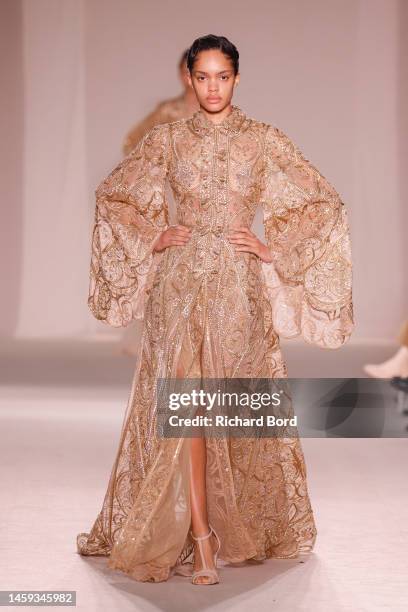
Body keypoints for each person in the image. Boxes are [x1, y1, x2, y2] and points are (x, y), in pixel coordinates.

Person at [77, 34, 354, 585]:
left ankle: (229, 524)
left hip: (237, 289)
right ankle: (201, 539)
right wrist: (155, 236)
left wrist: (272, 248)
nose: (212, 87)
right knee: (189, 409)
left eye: (221, 77)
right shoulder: (169, 140)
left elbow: (323, 200)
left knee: (224, 410)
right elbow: (114, 194)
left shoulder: (262, 140)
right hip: (178, 289)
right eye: (202, 76)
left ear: (236, 78)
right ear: (188, 77)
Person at [119, 48, 199, 357]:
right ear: (183, 74)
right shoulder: (169, 111)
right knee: (171, 265)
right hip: (174, 197)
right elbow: (133, 142)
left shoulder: (217, 111)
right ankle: (165, 334)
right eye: (188, 70)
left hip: (206, 199)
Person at [122, 48, 199, 156]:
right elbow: (131, 141)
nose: (190, 77)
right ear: (180, 74)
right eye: (186, 72)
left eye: (195, 72)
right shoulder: (168, 110)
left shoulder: (217, 111)